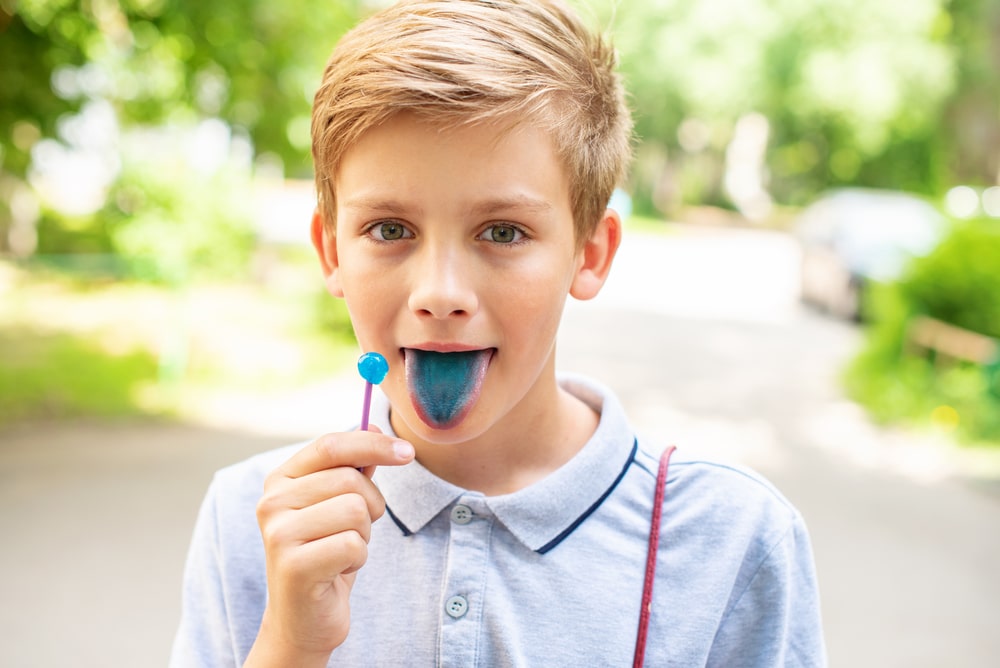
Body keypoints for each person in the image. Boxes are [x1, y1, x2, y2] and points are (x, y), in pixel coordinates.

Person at [171, 1, 826, 666]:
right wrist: (287, 645)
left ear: (591, 252)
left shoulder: (731, 537)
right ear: (332, 252)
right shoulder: (254, 518)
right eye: (391, 230)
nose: (440, 294)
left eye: (503, 232)